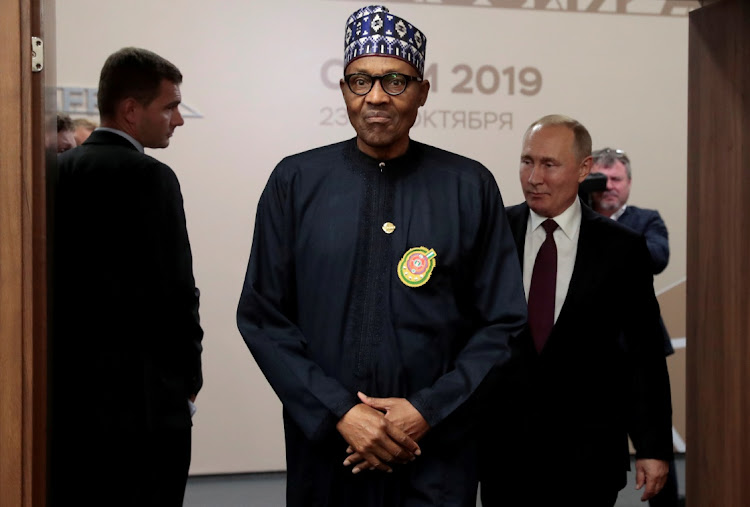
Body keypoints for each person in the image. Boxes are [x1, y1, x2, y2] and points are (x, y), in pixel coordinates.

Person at [236, 5, 527, 507]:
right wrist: (342, 414)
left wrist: (426, 410)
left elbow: (502, 324)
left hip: (434, 454)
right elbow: (263, 317)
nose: (375, 97)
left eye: (395, 81)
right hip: (330, 453)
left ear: (422, 91)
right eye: (359, 80)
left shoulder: (468, 186)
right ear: (344, 88)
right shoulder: (296, 182)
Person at [479, 115, 673, 507]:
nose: (534, 177)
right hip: (503, 451)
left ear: (584, 168)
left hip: (589, 453)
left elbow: (644, 353)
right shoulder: (492, 232)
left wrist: (653, 447)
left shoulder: (623, 249)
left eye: (549, 164)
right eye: (527, 161)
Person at [52, 47, 203, 507]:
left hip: (71, 401)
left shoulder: (57, 171)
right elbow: (177, 293)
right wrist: (188, 384)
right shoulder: (151, 177)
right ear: (131, 111)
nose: (178, 119)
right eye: (170, 106)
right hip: (146, 407)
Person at [592, 147, 681, 506]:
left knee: (655, 443)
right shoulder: (574, 220)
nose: (609, 186)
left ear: (629, 184)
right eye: (602, 178)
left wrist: (611, 235)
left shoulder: (645, 220)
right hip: (594, 353)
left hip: (637, 352)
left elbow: (657, 257)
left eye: (616, 179)